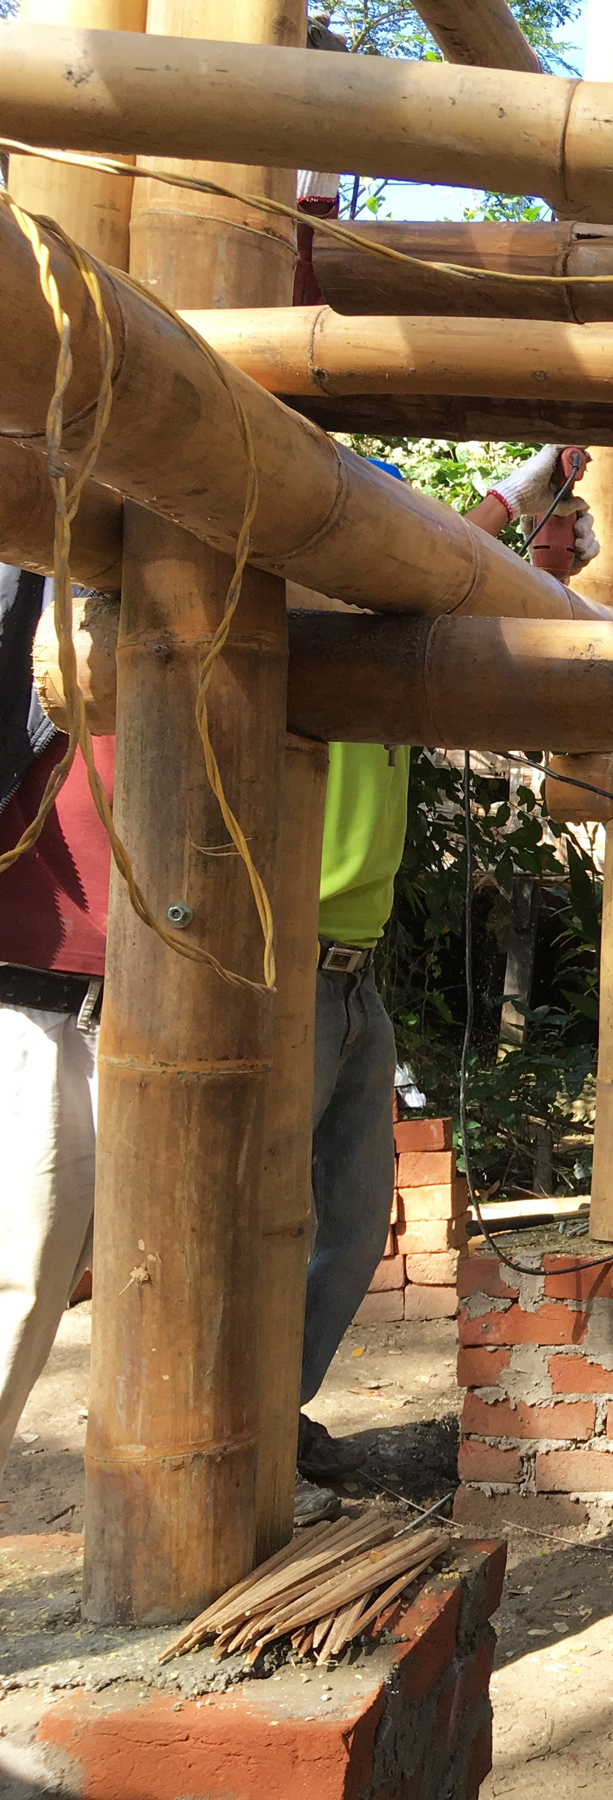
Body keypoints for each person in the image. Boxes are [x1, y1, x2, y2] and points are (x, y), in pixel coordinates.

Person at [297, 446, 598, 1489]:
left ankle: (269, 1413)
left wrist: (545, 524)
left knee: (347, 1217)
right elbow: (459, 542)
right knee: (262, 1216)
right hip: (285, 965)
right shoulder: (303, 622)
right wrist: (525, 486)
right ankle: (237, 1430)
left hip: (352, 973)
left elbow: (468, 570)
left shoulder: (389, 651)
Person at [0, 564, 113, 1514]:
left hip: (160, 1005)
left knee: (169, 1268)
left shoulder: (195, 573)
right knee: (21, 1282)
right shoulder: (23, 588)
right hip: (30, 1000)